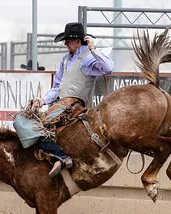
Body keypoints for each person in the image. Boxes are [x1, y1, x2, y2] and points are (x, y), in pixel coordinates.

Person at [31, 22, 114, 177]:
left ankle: (61, 156)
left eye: (68, 40)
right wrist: (43, 100)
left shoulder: (88, 58)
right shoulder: (65, 59)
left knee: (35, 129)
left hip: (73, 105)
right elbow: (57, 87)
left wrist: (93, 49)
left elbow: (108, 68)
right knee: (33, 128)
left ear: (77, 41)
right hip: (61, 104)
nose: (65, 44)